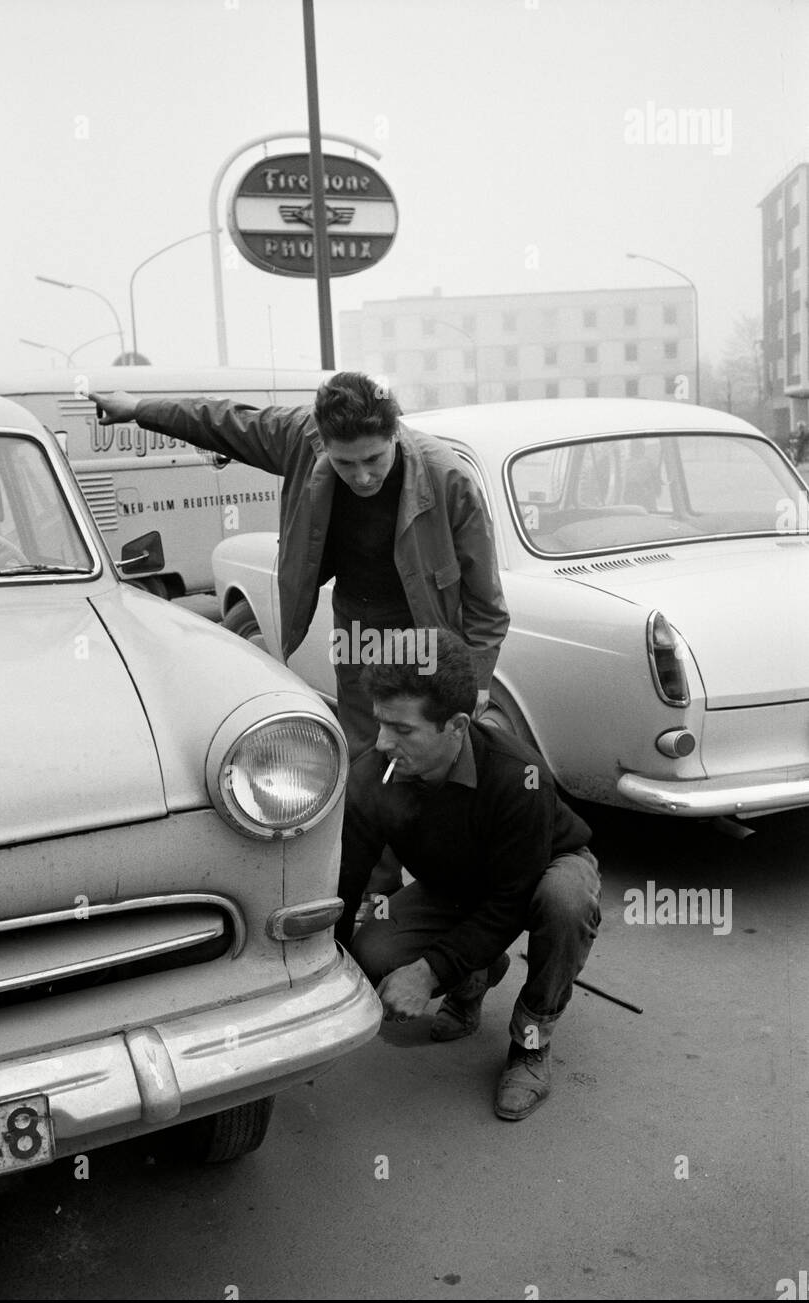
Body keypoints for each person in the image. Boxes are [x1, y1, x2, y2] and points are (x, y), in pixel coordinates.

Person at [88, 372, 509, 759]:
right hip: (358, 620)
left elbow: (486, 600)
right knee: (366, 740)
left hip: (426, 627)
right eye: (345, 463)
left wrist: (477, 680)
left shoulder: (448, 478)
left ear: (395, 434)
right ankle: (365, 828)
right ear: (323, 442)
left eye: (374, 460)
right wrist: (139, 409)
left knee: (429, 745)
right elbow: (222, 421)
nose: (362, 477)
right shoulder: (299, 437)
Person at [337, 629, 602, 1122]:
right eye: (380, 724)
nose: (382, 742)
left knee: (565, 900)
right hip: (457, 885)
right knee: (370, 954)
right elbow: (347, 878)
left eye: (403, 730)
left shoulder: (519, 777)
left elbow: (509, 901)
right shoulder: (375, 772)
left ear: (456, 726)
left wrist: (426, 972)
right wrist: (323, 974)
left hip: (538, 874)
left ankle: (530, 1044)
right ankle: (475, 974)